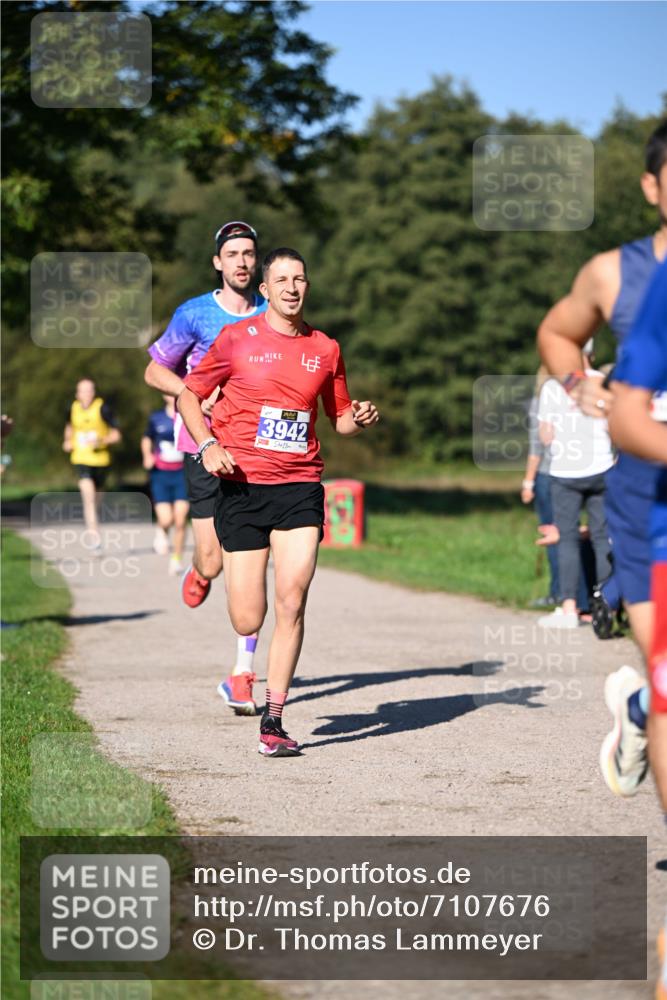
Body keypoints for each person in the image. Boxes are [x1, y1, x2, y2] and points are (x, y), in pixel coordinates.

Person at [178, 247, 379, 757]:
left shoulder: (326, 348)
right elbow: (187, 396)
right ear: (265, 290)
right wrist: (208, 444)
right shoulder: (235, 339)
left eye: (301, 279)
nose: (293, 287)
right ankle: (218, 593)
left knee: (293, 599)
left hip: (299, 488)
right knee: (249, 617)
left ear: (308, 287)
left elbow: (340, 420)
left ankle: (274, 720)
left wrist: (359, 415)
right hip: (241, 487)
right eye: (282, 280)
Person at [537, 120, 667, 794]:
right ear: (651, 186)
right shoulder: (615, 273)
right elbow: (558, 332)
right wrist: (576, 383)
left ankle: (639, 709)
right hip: (647, 498)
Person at [145, 220, 268, 715]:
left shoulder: (274, 310)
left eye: (249, 253)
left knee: (250, 559)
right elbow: (155, 368)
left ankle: (242, 674)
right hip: (201, 445)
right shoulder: (194, 313)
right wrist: (191, 392)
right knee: (214, 562)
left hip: (257, 453)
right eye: (232, 253)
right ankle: (199, 571)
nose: (241, 261)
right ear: (218, 262)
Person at [607, 260, 667, 811]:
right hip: (652, 500)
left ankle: (640, 707)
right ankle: (649, 705)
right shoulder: (656, 285)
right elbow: (626, 416)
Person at [535, 341, 614, 628]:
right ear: (591, 354)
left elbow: (546, 436)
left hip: (566, 471)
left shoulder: (552, 388)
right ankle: (608, 606)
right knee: (602, 537)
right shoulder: (603, 382)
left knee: (566, 538)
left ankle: (569, 609)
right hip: (602, 467)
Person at [62, 378, 121, 551]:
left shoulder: (103, 409)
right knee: (88, 495)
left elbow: (117, 435)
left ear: (94, 392)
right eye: (83, 391)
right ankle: (94, 535)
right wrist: (67, 441)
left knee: (96, 500)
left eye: (89, 390)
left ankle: (93, 522)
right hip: (81, 458)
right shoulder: (71, 408)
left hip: (101, 460)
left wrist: (102, 440)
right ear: (77, 393)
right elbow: (69, 427)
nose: (86, 394)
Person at [522, 366, 560, 608]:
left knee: (552, 535)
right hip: (576, 472)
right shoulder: (572, 398)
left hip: (548, 473)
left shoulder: (541, 401)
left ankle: (558, 592)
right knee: (571, 533)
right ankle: (576, 595)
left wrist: (528, 481)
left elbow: (537, 446)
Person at [141, 395, 189, 575]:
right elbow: (146, 438)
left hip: (182, 474)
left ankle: (176, 560)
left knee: (180, 519)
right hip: (160, 474)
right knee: (166, 519)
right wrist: (147, 455)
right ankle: (161, 531)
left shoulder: (187, 414)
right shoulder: (156, 417)